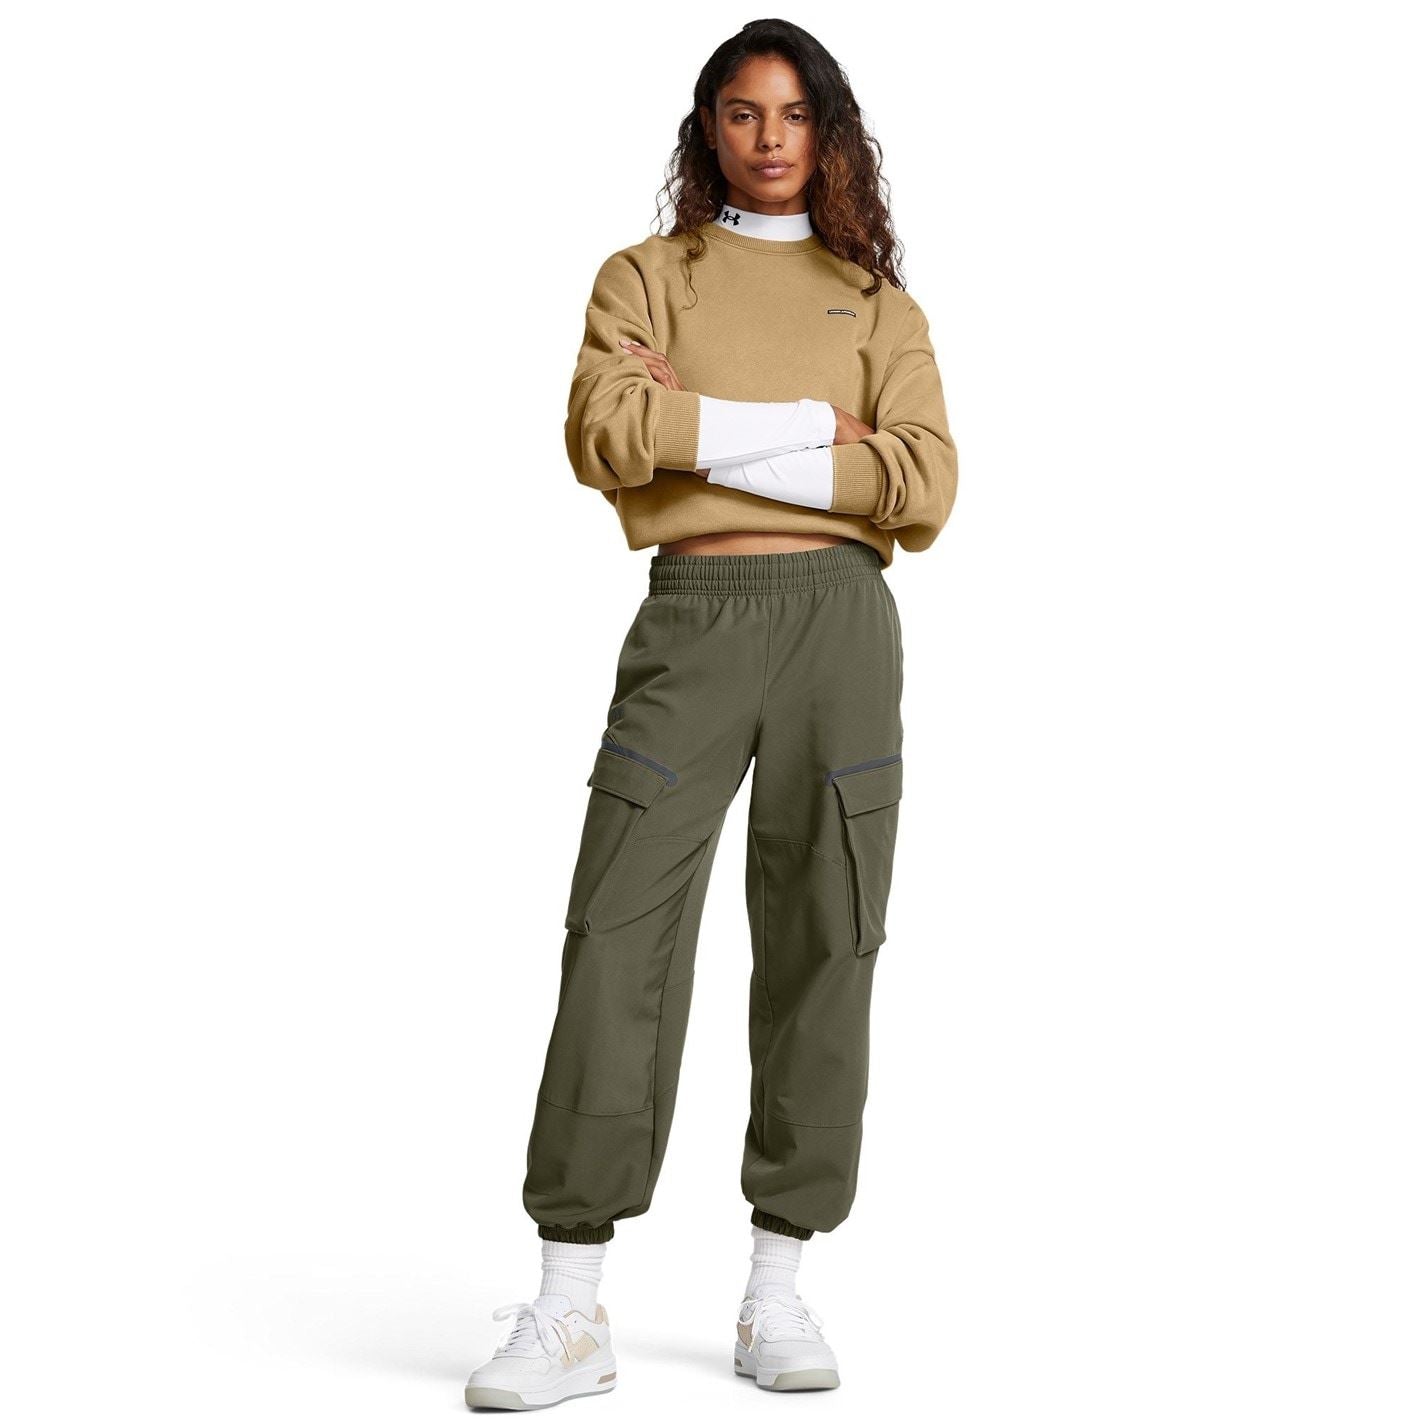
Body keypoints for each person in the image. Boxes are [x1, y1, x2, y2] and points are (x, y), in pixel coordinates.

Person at [465, 18, 957, 1409]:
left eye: (794, 114)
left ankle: (776, 1288)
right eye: (743, 112)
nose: (769, 137)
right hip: (692, 620)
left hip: (840, 630)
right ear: (708, 128)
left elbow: (925, 489)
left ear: (829, 134)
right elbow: (605, 437)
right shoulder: (645, 277)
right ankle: (569, 1304)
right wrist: (823, 431)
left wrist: (707, 435)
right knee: (615, 931)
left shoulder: (876, 303)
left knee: (825, 934)